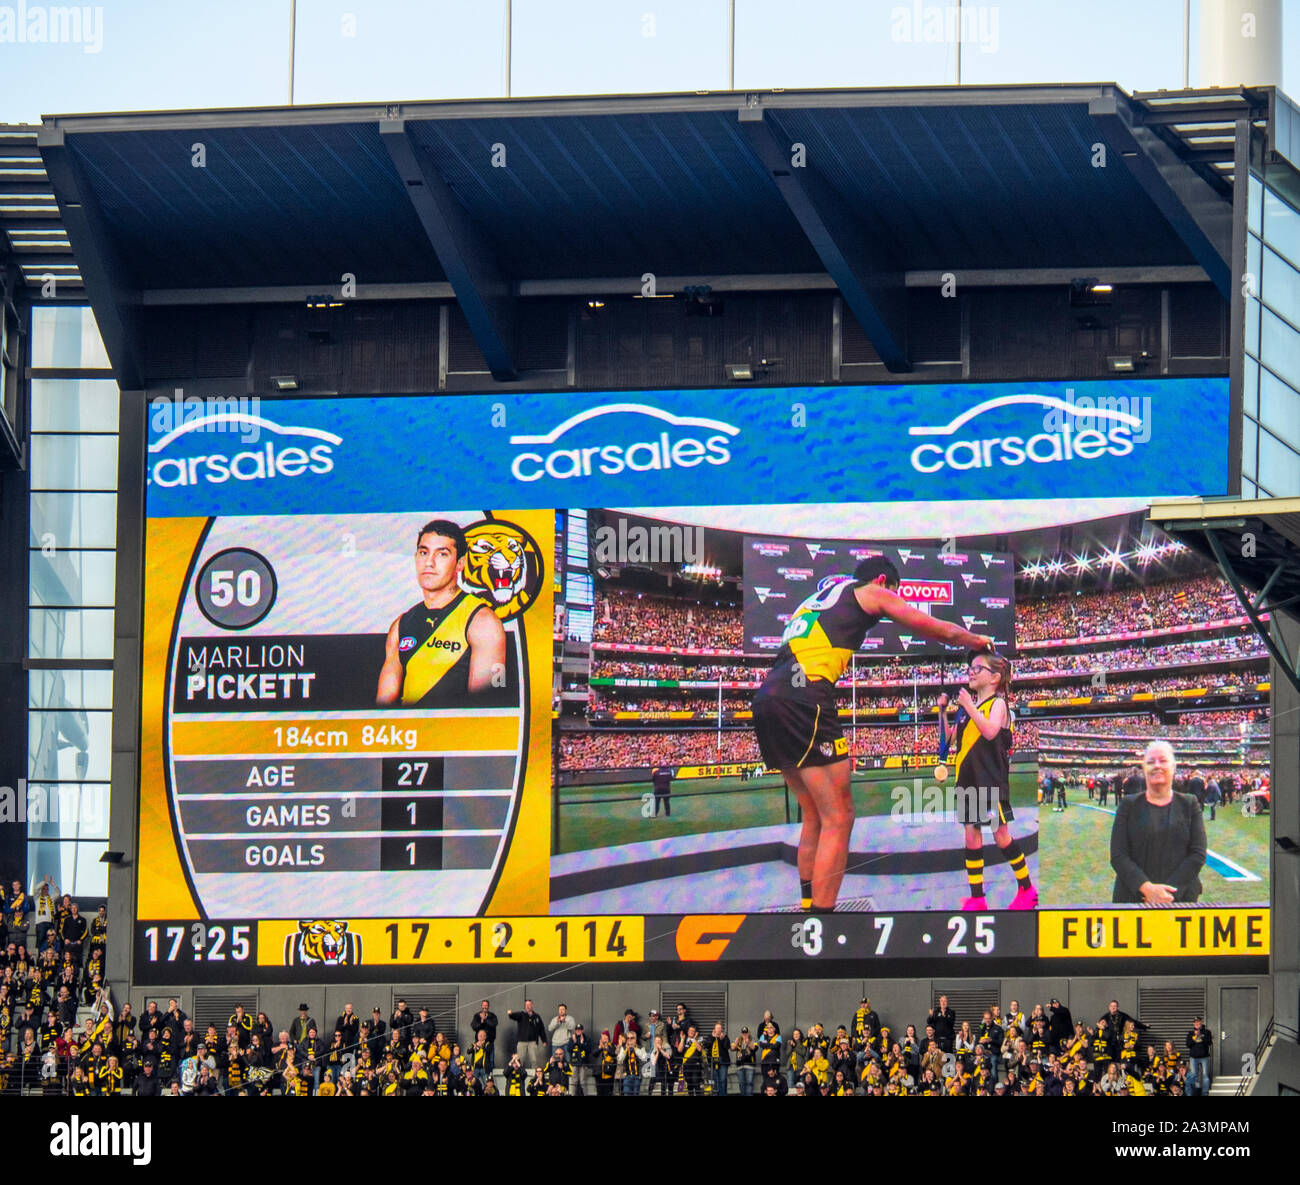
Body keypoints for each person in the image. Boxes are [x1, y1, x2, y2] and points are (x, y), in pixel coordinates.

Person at [752, 557, 992, 911]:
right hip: (804, 697)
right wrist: (979, 640)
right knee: (840, 817)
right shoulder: (870, 591)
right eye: (895, 591)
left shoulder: (820, 597)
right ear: (882, 580)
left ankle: (806, 911)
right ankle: (822, 925)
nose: (893, 600)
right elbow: (940, 630)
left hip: (767, 697)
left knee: (814, 814)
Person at [939, 652, 1035, 910]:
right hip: (968, 780)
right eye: (970, 668)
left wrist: (968, 706)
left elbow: (991, 731)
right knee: (971, 835)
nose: (970, 672)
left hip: (989, 780)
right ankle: (977, 897)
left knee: (1001, 835)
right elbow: (948, 740)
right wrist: (942, 711)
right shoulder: (967, 709)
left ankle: (1027, 888)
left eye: (977, 668)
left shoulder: (997, 704)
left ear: (994, 678)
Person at [376, 519, 506, 706]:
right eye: (423, 552)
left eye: (442, 554)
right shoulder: (401, 624)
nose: (429, 562)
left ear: (460, 564)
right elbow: (383, 705)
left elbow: (486, 708)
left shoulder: (482, 621)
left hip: (454, 732)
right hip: (409, 734)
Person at [1110, 741, 1206, 903]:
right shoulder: (1128, 805)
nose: (1156, 766)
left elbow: (1197, 854)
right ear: (1144, 769)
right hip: (1133, 899)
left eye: (1163, 760)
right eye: (1150, 762)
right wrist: (1147, 888)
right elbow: (1118, 855)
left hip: (1181, 901)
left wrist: (1166, 894)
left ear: (1173, 767)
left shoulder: (1189, 804)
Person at [507, 998, 547, 1070]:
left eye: (530, 1004)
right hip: (522, 1041)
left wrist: (544, 1040)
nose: (528, 1006)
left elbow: (541, 1029)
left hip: (533, 1041)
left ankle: (535, 1076)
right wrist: (510, 1014)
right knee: (520, 1060)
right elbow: (513, 1016)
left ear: (532, 1005)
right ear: (525, 1006)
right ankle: (520, 1075)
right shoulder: (521, 1014)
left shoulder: (537, 1016)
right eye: (527, 1005)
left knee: (534, 1060)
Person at [1186, 1017, 1213, 1097]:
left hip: (1204, 1057)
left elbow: (1209, 1042)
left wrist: (1201, 1036)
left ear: (1201, 1022)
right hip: (1193, 1057)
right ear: (1193, 1024)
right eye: (1195, 1022)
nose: (1197, 1023)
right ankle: (1196, 1092)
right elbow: (1188, 1044)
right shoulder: (1190, 1033)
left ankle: (1205, 1093)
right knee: (1194, 1076)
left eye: (1198, 1022)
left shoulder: (1207, 1032)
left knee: (1205, 1075)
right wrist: (1195, 1037)